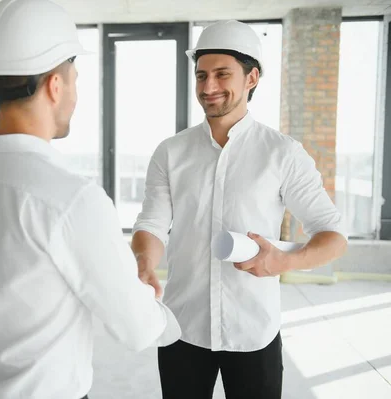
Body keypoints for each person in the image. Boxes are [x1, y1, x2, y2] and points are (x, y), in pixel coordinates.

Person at [0, 0, 181, 398]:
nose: (75, 93)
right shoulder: (74, 200)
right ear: (55, 84)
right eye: (75, 79)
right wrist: (155, 305)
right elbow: (138, 328)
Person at [131, 20, 347, 399]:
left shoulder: (282, 153)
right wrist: (145, 264)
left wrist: (284, 262)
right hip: (183, 327)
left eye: (221, 74)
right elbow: (152, 222)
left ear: (251, 78)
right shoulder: (171, 152)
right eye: (201, 76)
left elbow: (332, 234)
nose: (208, 87)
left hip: (253, 332)